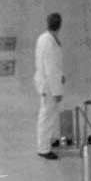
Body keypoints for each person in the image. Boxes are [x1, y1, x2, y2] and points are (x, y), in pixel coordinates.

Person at [34, 12, 65, 159]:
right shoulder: (50, 43)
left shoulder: (44, 38)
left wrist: (60, 76)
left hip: (45, 82)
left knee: (50, 114)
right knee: (46, 115)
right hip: (49, 86)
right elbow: (51, 70)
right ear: (60, 25)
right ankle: (43, 149)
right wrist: (57, 91)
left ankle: (50, 140)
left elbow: (51, 66)